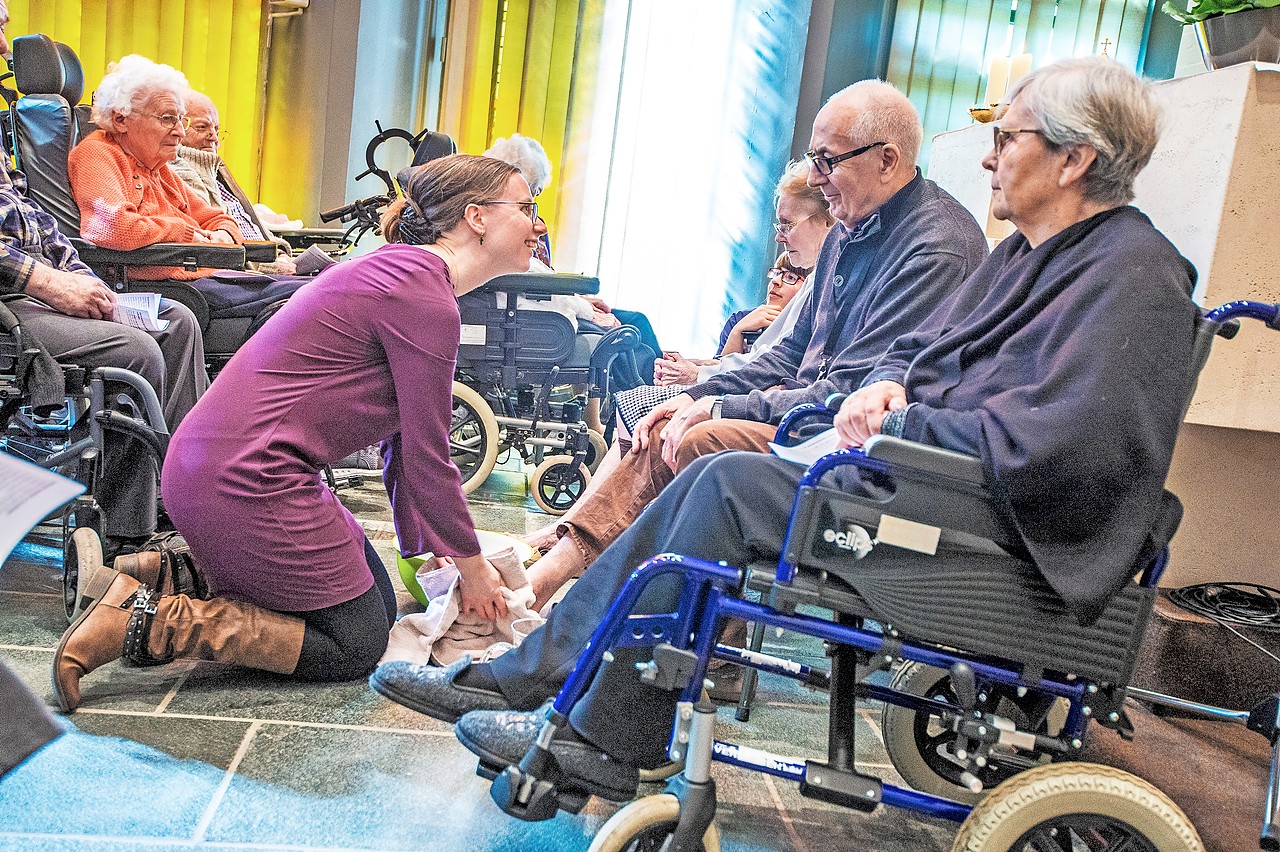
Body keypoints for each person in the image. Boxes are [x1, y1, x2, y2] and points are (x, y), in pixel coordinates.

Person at [371, 57, 1201, 804]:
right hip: (925, 481)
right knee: (705, 474)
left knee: (720, 480)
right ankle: (552, 687)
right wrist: (887, 387)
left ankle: (578, 715)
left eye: (1009, 136)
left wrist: (901, 415)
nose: (989, 155)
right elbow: (915, 360)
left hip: (978, 525)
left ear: (1075, 157)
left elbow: (1061, 450)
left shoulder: (1135, 279)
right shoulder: (1034, 256)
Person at [51, 154, 547, 712]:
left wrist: (428, 548)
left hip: (220, 468)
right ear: (476, 217)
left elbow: (406, 445)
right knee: (356, 643)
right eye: (527, 207)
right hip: (246, 480)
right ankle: (149, 620)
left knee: (378, 613)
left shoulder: (407, 274)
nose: (538, 224)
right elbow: (431, 455)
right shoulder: (422, 293)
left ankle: (155, 572)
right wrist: (472, 567)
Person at [506, 80, 987, 606]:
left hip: (858, 448)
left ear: (887, 160)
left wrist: (718, 402)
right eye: (812, 158)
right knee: (671, 419)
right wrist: (691, 397)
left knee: (698, 440)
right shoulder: (854, 228)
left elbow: (850, 394)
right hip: (810, 419)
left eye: (827, 161)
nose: (816, 178)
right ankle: (580, 583)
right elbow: (784, 354)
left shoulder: (934, 249)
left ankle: (604, 598)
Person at [0, 1, 208, 556]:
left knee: (176, 320)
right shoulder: (99, 153)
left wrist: (77, 277)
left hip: (29, 285)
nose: (6, 48)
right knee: (136, 349)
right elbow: (108, 225)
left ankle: (186, 496)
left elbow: (33, 222)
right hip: (9, 299)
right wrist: (46, 281)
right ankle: (128, 535)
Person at [66, 55, 307, 326]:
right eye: (168, 119)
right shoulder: (96, 154)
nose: (180, 131)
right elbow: (112, 226)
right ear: (121, 119)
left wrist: (223, 236)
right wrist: (189, 234)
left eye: (181, 120)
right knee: (312, 294)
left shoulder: (158, 168)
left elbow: (219, 218)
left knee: (325, 282)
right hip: (167, 287)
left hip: (203, 276)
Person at [169, 89, 297, 275]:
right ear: (179, 128)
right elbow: (213, 239)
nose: (214, 138)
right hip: (247, 272)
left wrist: (280, 252)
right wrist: (269, 265)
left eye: (216, 130)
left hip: (269, 263)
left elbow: (248, 224)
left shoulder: (215, 170)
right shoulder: (178, 172)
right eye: (202, 128)